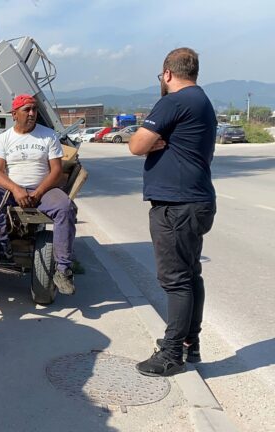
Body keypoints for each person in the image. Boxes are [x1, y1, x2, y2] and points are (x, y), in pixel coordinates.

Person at [129, 48, 217, 377]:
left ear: (167, 73)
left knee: (176, 280)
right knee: (191, 275)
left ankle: (171, 354)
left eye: (160, 77)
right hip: (195, 201)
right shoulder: (202, 101)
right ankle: (190, 344)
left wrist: (149, 141)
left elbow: (136, 144)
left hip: (176, 206)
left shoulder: (174, 101)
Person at [0, 94, 77, 295]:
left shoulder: (48, 135)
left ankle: (63, 270)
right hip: (14, 190)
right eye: (27, 109)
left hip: (43, 190)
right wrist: (16, 189)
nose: (32, 113)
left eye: (34, 109)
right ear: (14, 114)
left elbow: (56, 171)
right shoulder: (3, 138)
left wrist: (38, 192)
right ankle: (2, 249)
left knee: (65, 207)